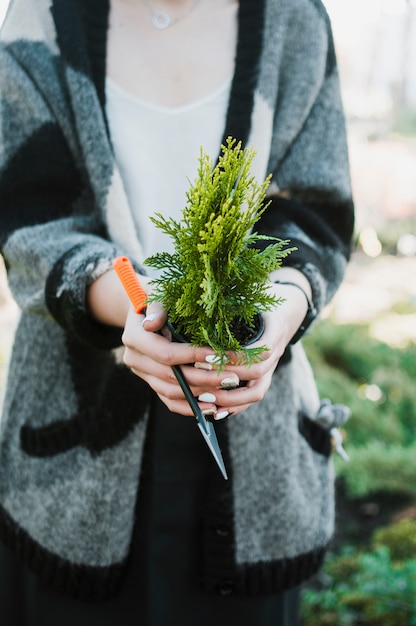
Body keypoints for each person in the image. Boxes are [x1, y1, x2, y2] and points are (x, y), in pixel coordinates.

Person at [0, 0, 354, 624]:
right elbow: (32, 219)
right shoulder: (41, 19)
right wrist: (140, 305)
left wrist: (277, 318)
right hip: (72, 463)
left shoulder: (293, 21)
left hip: (255, 453)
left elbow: (315, 213)